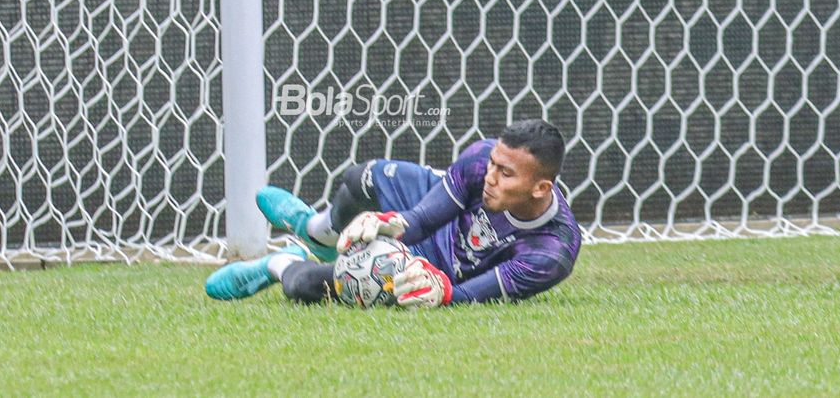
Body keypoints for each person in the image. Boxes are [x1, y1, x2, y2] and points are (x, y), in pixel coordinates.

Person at [205, 119, 582, 308]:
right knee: (361, 178)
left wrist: (442, 291)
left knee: (307, 287)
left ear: (541, 189)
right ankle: (319, 232)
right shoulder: (481, 161)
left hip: (441, 269)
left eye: (505, 173)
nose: (491, 177)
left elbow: (468, 294)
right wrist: (391, 223)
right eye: (493, 164)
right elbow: (422, 219)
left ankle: (280, 264)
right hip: (442, 221)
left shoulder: (550, 253)